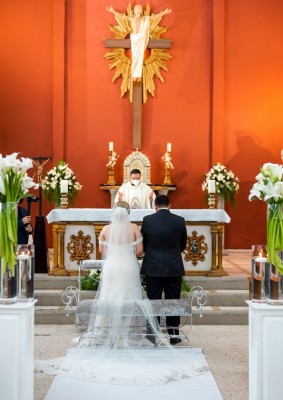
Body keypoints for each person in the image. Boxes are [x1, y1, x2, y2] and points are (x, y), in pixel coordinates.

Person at [35, 201, 205, 385]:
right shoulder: (146, 225)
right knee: (146, 297)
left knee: (117, 297)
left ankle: (121, 331)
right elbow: (144, 249)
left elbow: (102, 250)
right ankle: (159, 333)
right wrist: (131, 253)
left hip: (118, 267)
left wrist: (117, 254)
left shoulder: (115, 227)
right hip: (144, 265)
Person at [141, 195, 187, 344]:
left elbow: (145, 244)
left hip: (153, 266)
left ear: (155, 206)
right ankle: (173, 335)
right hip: (173, 266)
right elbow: (183, 244)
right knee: (173, 300)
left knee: (153, 300)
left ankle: (152, 334)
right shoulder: (179, 220)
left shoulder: (148, 220)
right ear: (170, 205)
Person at [106, 4, 172, 80]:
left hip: (141, 38)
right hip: (134, 39)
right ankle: (134, 75)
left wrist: (164, 12)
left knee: (140, 57)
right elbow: (122, 16)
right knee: (135, 57)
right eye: (136, 8)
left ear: (141, 11)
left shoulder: (145, 18)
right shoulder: (132, 18)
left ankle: (138, 75)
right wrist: (112, 11)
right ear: (134, 10)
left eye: (139, 8)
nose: (137, 10)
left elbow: (154, 18)